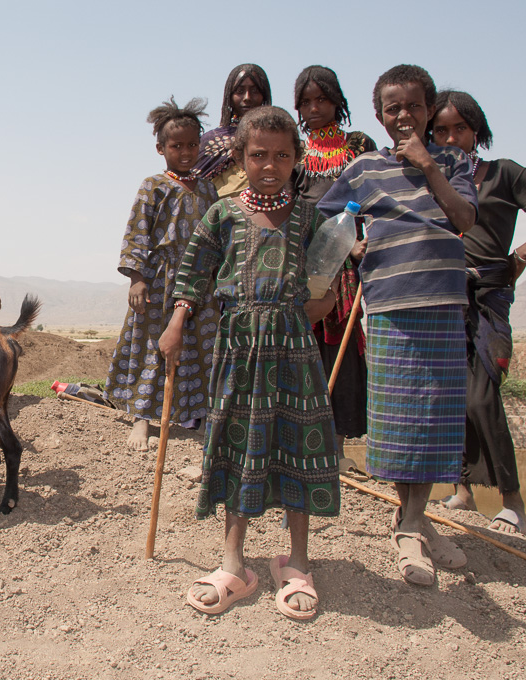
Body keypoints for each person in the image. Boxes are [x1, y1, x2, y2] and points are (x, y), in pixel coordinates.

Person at [160, 106, 339, 620]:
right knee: (238, 446)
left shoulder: (311, 218)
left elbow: (327, 273)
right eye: (258, 154)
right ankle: (234, 563)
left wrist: (325, 300)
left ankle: (298, 562)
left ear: (296, 159)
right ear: (240, 156)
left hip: (294, 348)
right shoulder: (221, 213)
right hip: (238, 347)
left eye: (283, 155)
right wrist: (176, 322)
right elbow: (194, 273)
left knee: (297, 445)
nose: (270, 164)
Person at [318, 65, 476, 586]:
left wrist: (428, 164)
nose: (403, 115)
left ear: (429, 109)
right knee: (403, 417)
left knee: (436, 417)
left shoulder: (454, 161)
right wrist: (352, 243)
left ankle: (414, 521)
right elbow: (326, 215)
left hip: (444, 301)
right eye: (392, 108)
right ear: (380, 116)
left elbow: (463, 220)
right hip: (389, 305)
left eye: (412, 105)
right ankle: (410, 525)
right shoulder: (363, 167)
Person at [429, 90, 526, 534]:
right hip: (443, 294)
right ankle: (462, 491)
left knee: (482, 396)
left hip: (488, 293)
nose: (450, 138)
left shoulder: (503, 174)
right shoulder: (429, 180)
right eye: (440, 130)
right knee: (450, 395)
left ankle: (514, 502)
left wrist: (522, 253)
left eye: (459, 128)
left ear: (476, 130)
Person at [104, 97, 220, 451]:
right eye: (176, 145)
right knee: (151, 347)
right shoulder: (152, 185)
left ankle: (198, 416)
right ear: (160, 148)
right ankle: (142, 418)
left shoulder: (208, 188)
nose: (185, 152)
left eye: (192, 144)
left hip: (202, 282)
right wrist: (136, 278)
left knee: (202, 348)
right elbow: (137, 231)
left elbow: (218, 235)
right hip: (161, 280)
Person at [292, 65, 377, 459]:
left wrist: (361, 240)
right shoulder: (294, 148)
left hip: (348, 258)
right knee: (301, 344)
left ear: (337, 101)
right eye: (306, 101)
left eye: (321, 99)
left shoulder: (359, 144)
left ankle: (337, 445)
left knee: (339, 345)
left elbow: (376, 196)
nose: (314, 108)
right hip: (303, 259)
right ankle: (302, 437)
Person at [194, 64, 272, 199]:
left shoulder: (276, 139)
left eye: (254, 91)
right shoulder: (211, 141)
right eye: (240, 91)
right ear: (229, 96)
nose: (247, 97)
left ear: (264, 96)